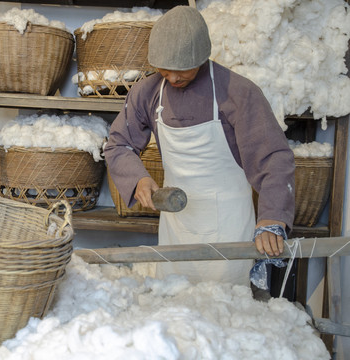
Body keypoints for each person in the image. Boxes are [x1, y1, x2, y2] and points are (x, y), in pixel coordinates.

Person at [104, 6, 295, 287]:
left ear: (202, 57)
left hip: (229, 227)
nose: (171, 78)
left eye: (181, 70)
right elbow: (118, 143)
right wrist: (138, 179)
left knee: (223, 309)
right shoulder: (147, 93)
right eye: (163, 70)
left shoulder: (239, 92)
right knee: (176, 307)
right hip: (176, 228)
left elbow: (273, 158)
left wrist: (272, 218)